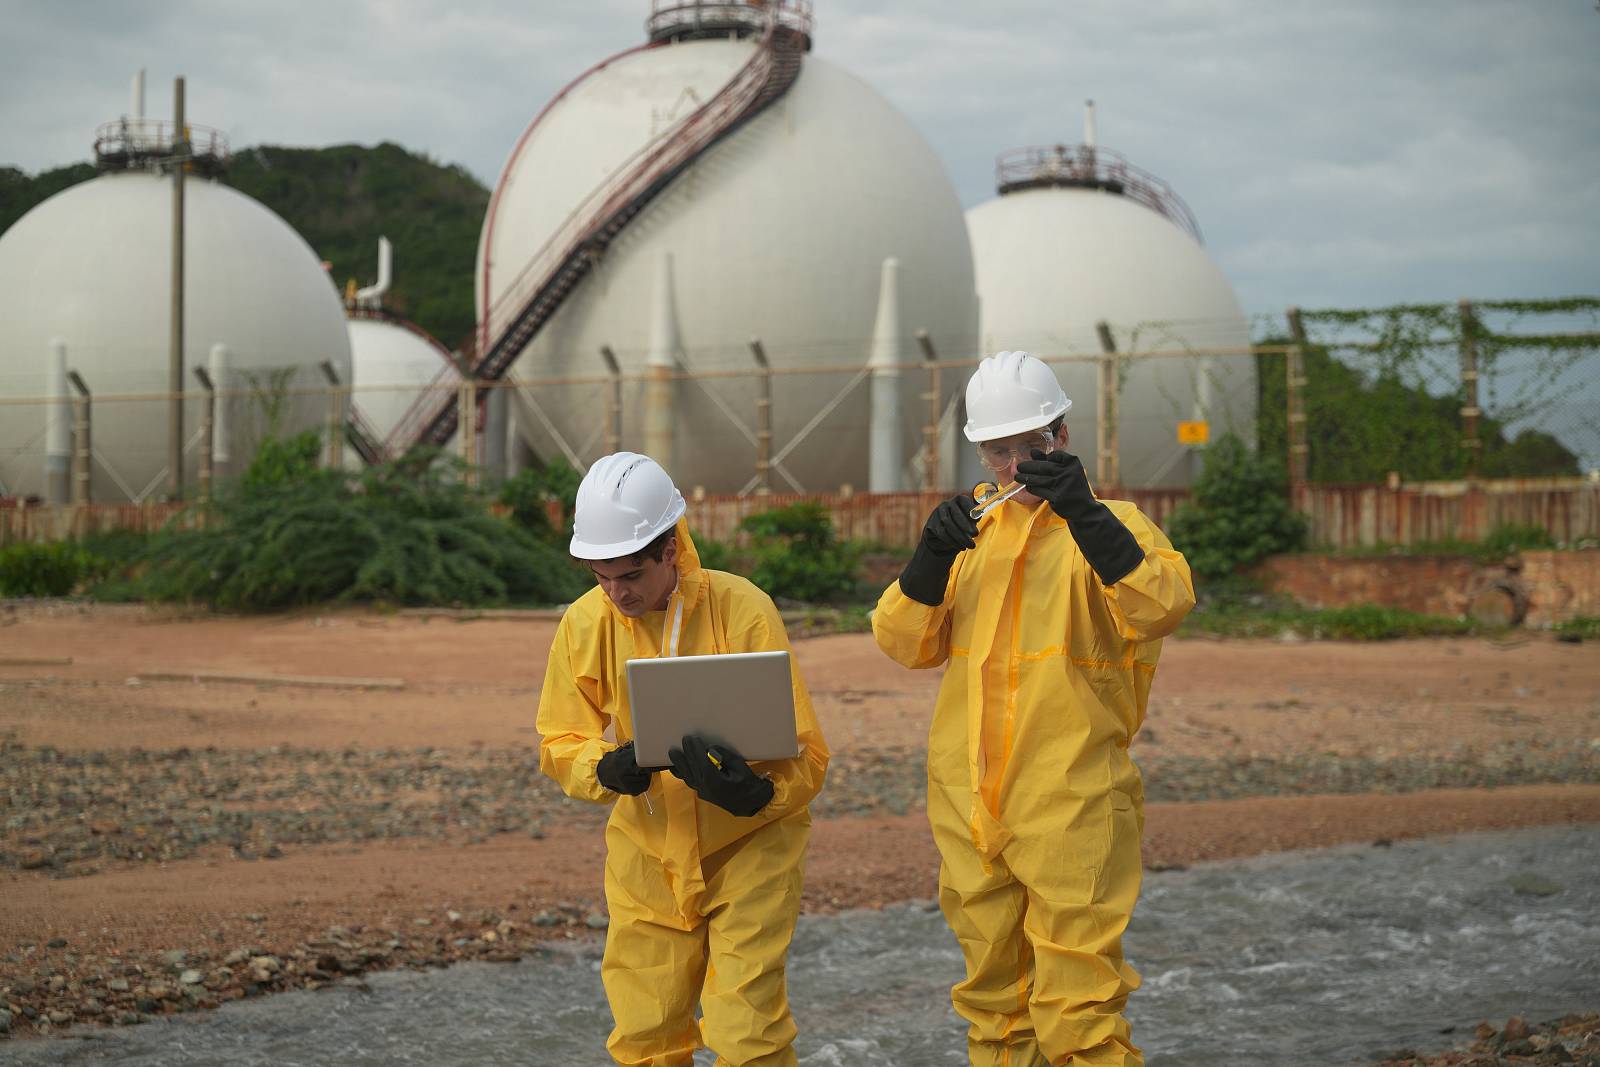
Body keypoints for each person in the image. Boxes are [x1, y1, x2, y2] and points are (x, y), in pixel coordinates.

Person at [872, 351, 1194, 1067]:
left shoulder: (1116, 527)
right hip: (968, 805)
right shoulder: (971, 538)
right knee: (995, 1008)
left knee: (1080, 1013)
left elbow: (1163, 604)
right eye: (999, 448)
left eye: (1032, 445)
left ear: (1063, 436)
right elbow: (904, 642)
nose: (1015, 464)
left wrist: (1082, 513)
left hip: (1072, 804)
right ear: (980, 451)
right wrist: (928, 557)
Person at [537, 451, 830, 1067]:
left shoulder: (742, 608)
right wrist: (603, 767)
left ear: (669, 550)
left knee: (748, 1033)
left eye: (630, 576)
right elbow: (560, 739)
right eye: (601, 576)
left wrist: (759, 794)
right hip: (646, 850)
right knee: (646, 1033)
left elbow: (806, 753)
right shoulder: (585, 623)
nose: (617, 593)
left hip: (753, 847)